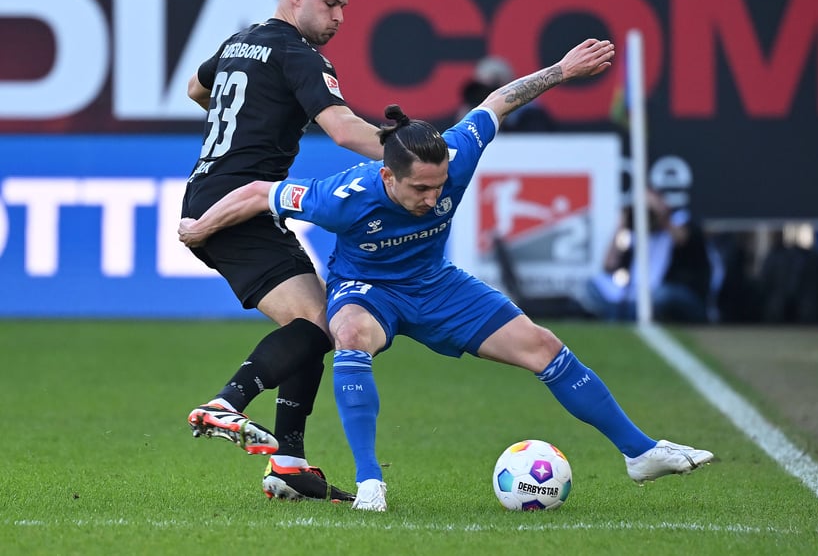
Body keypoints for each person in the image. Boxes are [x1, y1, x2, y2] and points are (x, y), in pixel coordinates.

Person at [179, 38, 715, 512]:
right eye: (420, 190)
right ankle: (370, 483)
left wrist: (562, 70)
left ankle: (640, 452)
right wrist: (200, 228)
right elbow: (256, 192)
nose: (433, 198)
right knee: (346, 334)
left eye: (439, 188)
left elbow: (498, 101)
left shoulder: (457, 155)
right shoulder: (343, 196)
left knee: (542, 345)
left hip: (436, 285)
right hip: (368, 291)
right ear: (388, 175)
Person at [181, 0, 386, 501]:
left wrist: (251, 115)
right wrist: (418, 150)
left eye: (344, 7)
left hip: (212, 192)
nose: (339, 18)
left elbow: (198, 89)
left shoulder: (240, 41)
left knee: (316, 321)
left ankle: (290, 464)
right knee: (326, 325)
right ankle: (227, 404)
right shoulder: (300, 56)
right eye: (331, 3)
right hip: (240, 204)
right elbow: (345, 131)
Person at [582, 188, 712, 324]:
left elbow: (682, 239)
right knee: (593, 285)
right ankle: (622, 315)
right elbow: (609, 264)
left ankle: (621, 316)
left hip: (679, 292)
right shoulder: (632, 231)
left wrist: (660, 215)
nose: (645, 214)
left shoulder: (681, 220)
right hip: (636, 292)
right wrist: (623, 225)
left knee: (661, 295)